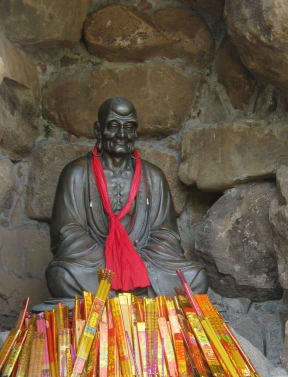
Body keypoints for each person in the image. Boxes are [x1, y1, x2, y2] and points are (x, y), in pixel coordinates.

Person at [46, 97, 208, 298]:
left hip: (144, 261)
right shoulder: (76, 173)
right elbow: (66, 232)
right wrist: (113, 259)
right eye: (114, 126)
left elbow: (167, 233)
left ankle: (113, 296)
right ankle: (126, 292)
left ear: (135, 132)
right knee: (62, 275)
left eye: (129, 127)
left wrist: (133, 260)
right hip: (97, 263)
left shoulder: (153, 176)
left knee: (196, 277)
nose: (122, 135)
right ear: (98, 130)